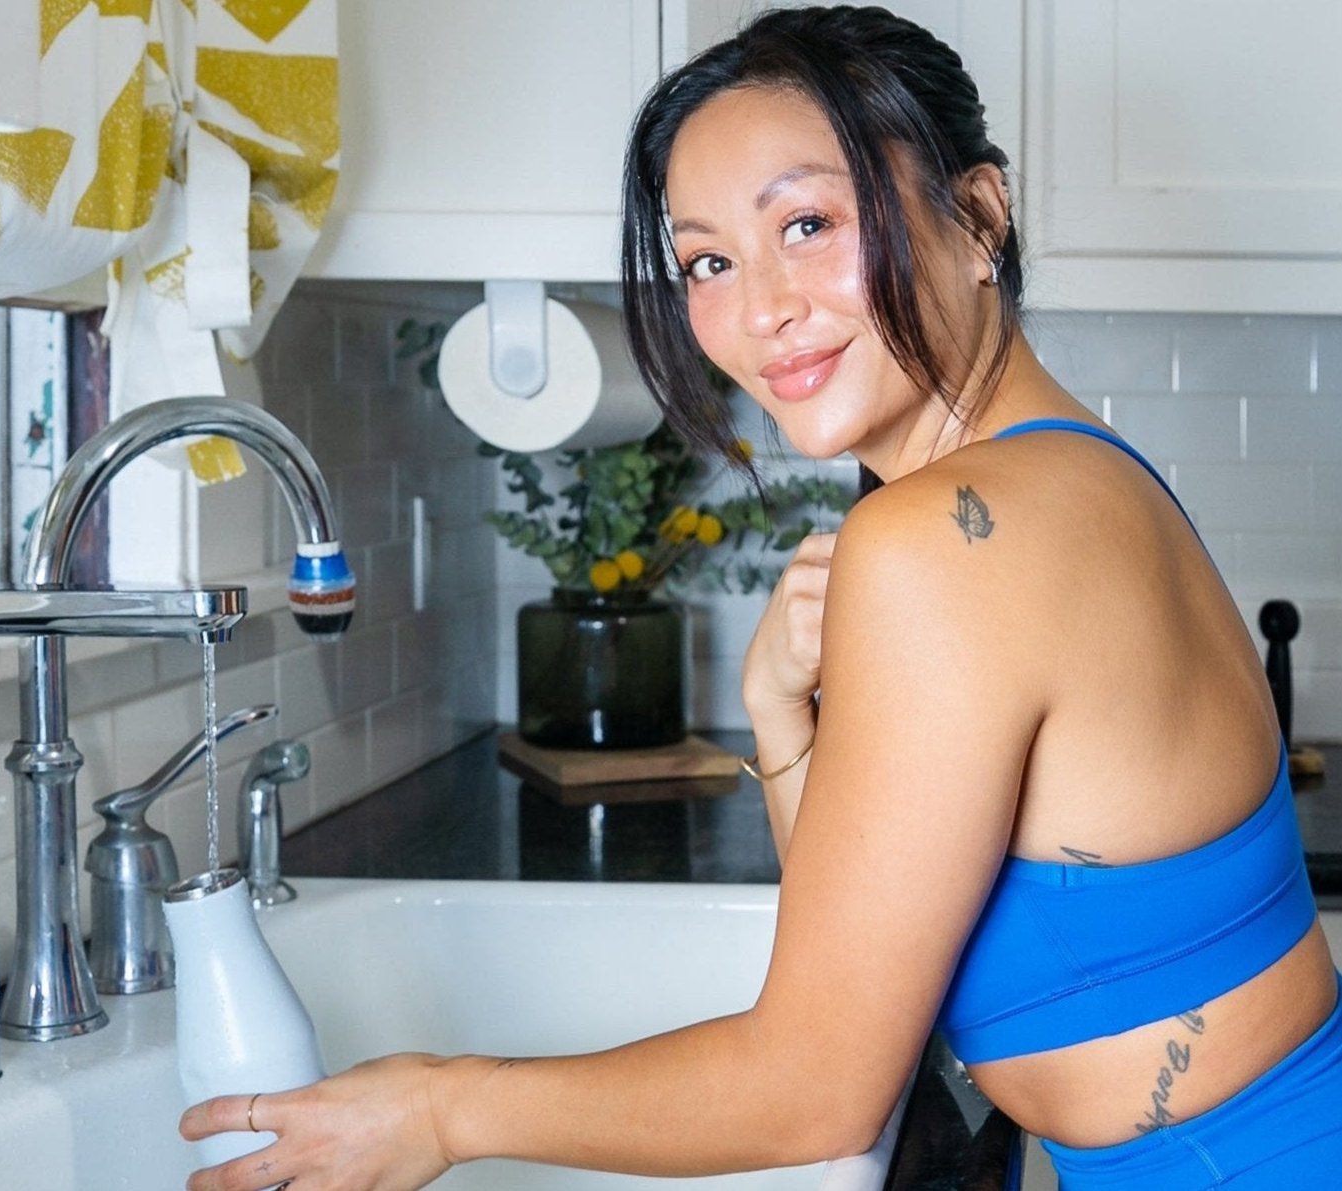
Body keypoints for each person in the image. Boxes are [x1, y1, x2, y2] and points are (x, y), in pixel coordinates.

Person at [179, 6, 1342, 1189]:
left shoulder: (946, 537)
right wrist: (780, 715)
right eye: (709, 261)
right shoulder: (1084, 472)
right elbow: (871, 961)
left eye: (807, 222)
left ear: (978, 216)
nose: (760, 308)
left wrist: (442, 1108)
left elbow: (817, 1091)